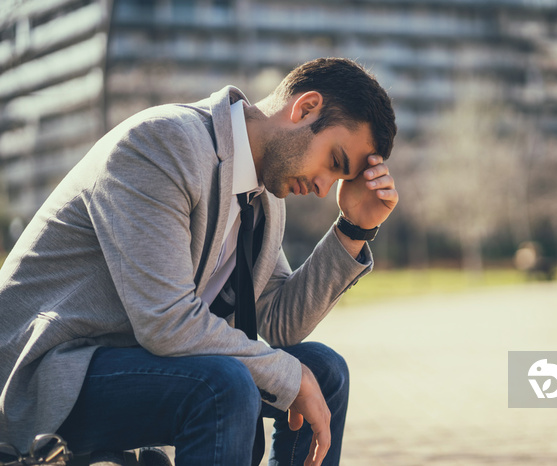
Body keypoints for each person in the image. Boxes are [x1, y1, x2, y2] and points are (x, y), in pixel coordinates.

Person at [0, 58, 398, 466]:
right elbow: (166, 321)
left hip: (129, 362)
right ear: (306, 108)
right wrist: (289, 377)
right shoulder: (163, 144)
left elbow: (279, 324)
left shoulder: (265, 199)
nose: (322, 188)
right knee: (223, 386)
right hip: (45, 377)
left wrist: (353, 229)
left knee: (324, 370)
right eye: (334, 162)